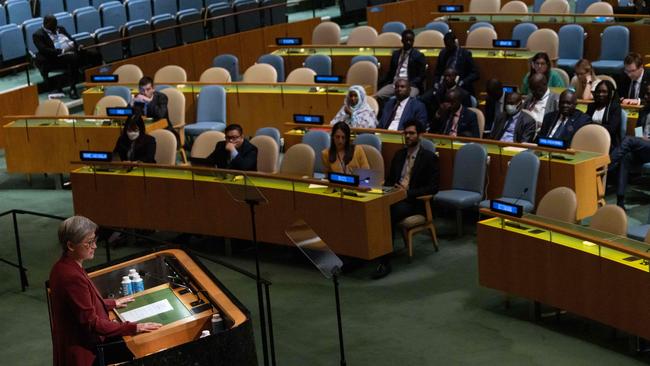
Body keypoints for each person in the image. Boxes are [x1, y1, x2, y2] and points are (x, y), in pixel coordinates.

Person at [49, 216, 161, 366]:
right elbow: (92, 324)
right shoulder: (71, 276)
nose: (95, 246)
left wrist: (110, 303)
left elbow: (80, 306)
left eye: (95, 240)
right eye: (89, 242)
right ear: (70, 245)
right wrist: (134, 327)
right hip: (83, 354)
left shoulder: (62, 266)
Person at [373, 119, 439, 279]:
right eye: (406, 133)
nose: (408, 136)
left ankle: (385, 260)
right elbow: (389, 180)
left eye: (411, 133)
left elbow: (433, 188)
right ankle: (372, 251)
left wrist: (407, 193)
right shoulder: (399, 154)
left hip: (414, 202)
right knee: (372, 208)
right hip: (394, 196)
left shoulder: (429, 158)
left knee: (387, 213)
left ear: (420, 135)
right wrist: (388, 189)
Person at [33, 15, 100, 99]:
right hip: (55, 57)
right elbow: (44, 50)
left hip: (71, 51)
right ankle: (73, 88)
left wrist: (78, 46)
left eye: (56, 24)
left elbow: (71, 39)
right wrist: (62, 51)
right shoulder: (38, 35)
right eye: (53, 24)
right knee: (73, 59)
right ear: (46, 24)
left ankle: (96, 81)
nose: (55, 26)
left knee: (95, 54)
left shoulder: (60, 28)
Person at [608, 84, 650, 209]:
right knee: (626, 156)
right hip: (644, 147)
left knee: (628, 140)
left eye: (649, 94)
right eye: (646, 94)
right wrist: (640, 139)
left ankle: (608, 164)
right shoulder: (643, 111)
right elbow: (638, 130)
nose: (646, 97)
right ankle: (620, 200)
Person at [376, 29, 426, 99]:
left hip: (410, 85)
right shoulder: (396, 54)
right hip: (395, 84)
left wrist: (408, 84)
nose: (409, 42)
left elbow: (421, 76)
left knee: (407, 98)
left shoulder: (418, 56)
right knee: (378, 95)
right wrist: (380, 82)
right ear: (402, 40)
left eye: (411, 40)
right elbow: (391, 73)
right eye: (406, 40)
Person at [433, 32, 480, 96]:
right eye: (446, 46)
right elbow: (437, 72)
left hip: (460, 85)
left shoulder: (465, 54)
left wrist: (463, 82)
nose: (448, 48)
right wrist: (436, 82)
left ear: (455, 42)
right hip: (444, 85)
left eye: (450, 45)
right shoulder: (443, 53)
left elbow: (475, 74)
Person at [585, 80, 622, 150]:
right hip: (590, 138)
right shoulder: (591, 106)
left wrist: (639, 136)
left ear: (610, 93)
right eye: (598, 92)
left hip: (608, 141)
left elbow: (612, 129)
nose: (600, 94)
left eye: (604, 92)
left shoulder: (614, 107)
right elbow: (584, 122)